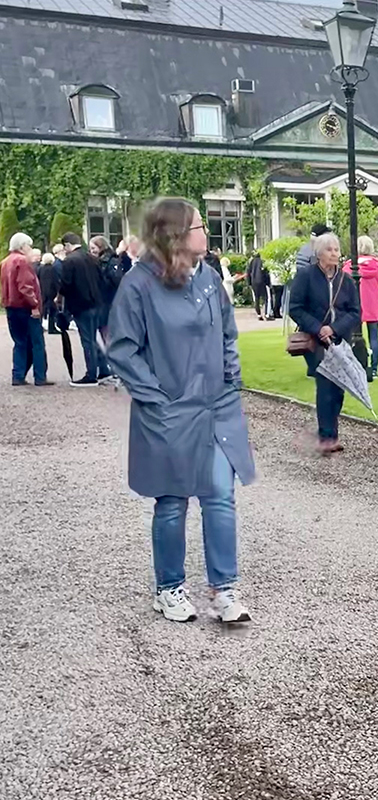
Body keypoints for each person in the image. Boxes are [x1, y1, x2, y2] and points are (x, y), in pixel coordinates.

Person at [106, 198, 254, 625]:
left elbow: (227, 334)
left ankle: (224, 590)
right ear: (175, 234)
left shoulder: (208, 277)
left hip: (215, 407)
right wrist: (156, 399)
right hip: (170, 410)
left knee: (220, 496)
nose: (206, 232)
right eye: (199, 226)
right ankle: (168, 587)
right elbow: (123, 350)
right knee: (172, 501)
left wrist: (230, 380)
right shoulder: (139, 284)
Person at [287, 232, 361, 454]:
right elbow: (296, 308)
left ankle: (331, 433)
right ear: (319, 253)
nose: (334, 253)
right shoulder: (306, 276)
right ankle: (326, 436)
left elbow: (355, 312)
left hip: (339, 340)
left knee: (338, 388)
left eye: (336, 249)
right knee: (326, 383)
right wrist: (318, 328)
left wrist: (334, 328)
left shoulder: (345, 280)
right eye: (329, 249)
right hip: (315, 341)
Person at [59, 232, 112, 387]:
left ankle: (91, 374)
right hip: (97, 303)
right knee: (95, 338)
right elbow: (101, 280)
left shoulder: (69, 261)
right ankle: (103, 369)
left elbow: (66, 285)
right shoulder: (92, 258)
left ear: (67, 245)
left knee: (87, 340)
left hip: (81, 305)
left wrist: (60, 298)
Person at [2, 233, 51, 387]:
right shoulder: (22, 261)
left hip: (11, 306)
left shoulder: (5, 262)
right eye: (29, 245)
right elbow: (25, 286)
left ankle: (18, 375)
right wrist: (34, 305)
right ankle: (40, 376)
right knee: (37, 343)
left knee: (20, 342)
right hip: (25, 307)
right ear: (23, 246)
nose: (30, 248)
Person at [343, 235, 378, 382]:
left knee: (352, 337)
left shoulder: (348, 266)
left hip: (354, 307)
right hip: (373, 305)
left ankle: (355, 366)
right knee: (374, 337)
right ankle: (374, 368)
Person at [245, 251, 270, 320]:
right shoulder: (262, 261)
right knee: (266, 298)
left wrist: (249, 283)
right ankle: (266, 314)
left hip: (254, 282)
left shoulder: (251, 262)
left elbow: (248, 272)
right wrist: (268, 282)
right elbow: (266, 273)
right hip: (262, 281)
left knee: (256, 298)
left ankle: (259, 314)